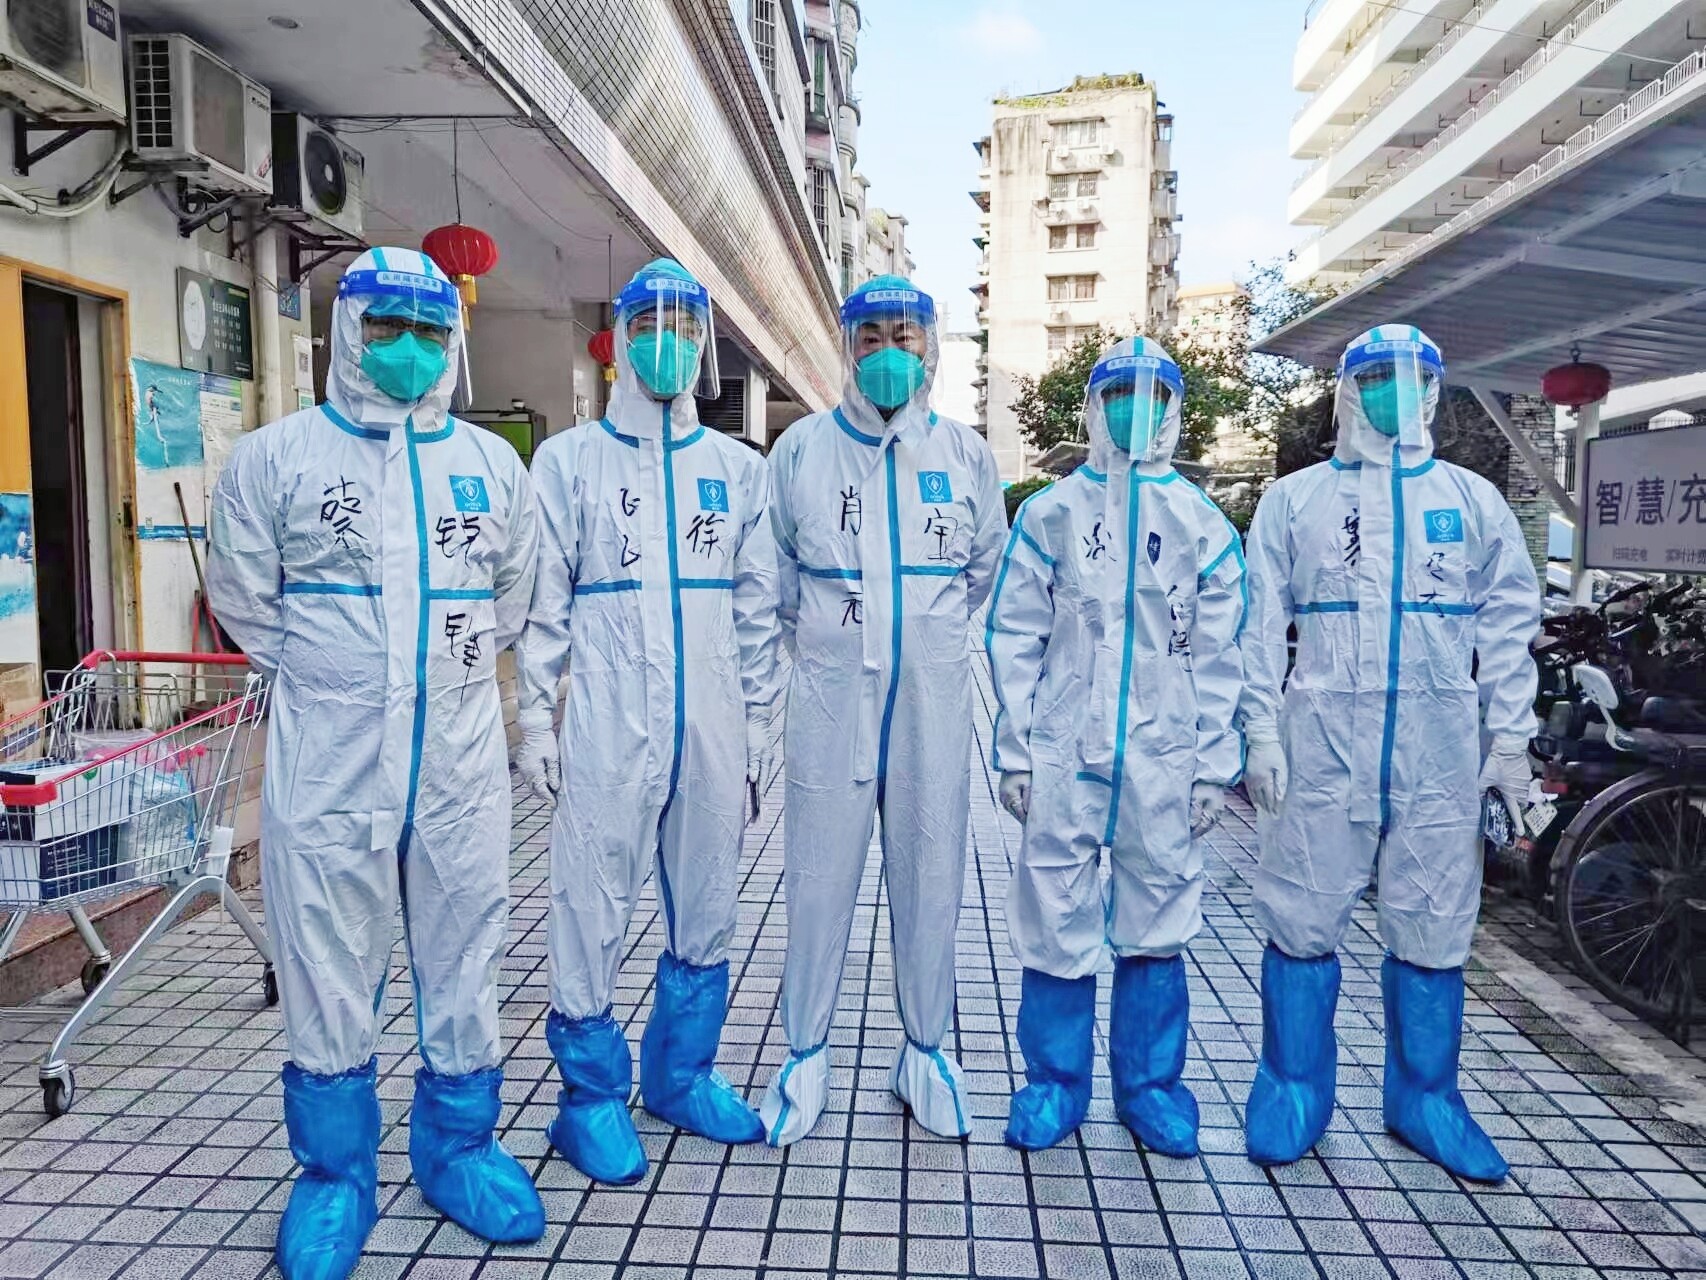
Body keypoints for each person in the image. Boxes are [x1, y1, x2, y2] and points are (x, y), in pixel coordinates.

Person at [207, 247, 544, 1280]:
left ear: (454, 343)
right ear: (347, 329)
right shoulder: (275, 458)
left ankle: (458, 1147)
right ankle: (334, 1174)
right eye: (385, 326)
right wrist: (338, 673)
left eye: (428, 331)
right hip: (330, 757)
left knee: (465, 943)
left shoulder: (490, 467)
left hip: (456, 762)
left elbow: (512, 596)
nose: (407, 348)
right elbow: (244, 599)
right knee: (324, 956)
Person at [1239, 324, 1539, 1183]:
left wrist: (1510, 738)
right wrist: (1258, 731)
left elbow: (1511, 622)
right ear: (1346, 389)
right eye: (1374, 376)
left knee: (1436, 920)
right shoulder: (1295, 500)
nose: (1392, 392)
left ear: (1436, 390)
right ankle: (1292, 1089)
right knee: (1302, 913)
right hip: (1322, 740)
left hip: (1437, 746)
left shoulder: (1470, 500)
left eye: (1410, 378)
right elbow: (1257, 626)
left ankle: (1426, 1098)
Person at [512, 259, 781, 1186]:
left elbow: (758, 611)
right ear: (620, 340)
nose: (669, 342)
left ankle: (681, 1075)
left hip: (710, 723)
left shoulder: (737, 471)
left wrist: (758, 727)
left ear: (705, 346)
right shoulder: (568, 462)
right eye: (649, 325)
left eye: (686, 327)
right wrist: (535, 720)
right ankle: (589, 1098)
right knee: (591, 900)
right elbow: (543, 606)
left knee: (707, 900)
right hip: (607, 720)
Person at [759, 276, 1006, 1146]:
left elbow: (982, 568)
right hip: (831, 698)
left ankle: (925, 1053)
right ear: (848, 348)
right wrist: (837, 641)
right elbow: (777, 578)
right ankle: (805, 1057)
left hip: (933, 699)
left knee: (933, 871)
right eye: (872, 339)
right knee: (817, 877)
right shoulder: (802, 451)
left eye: (906, 337)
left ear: (930, 347)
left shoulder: (966, 454)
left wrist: (920, 632)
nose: (890, 354)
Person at [986, 337, 1245, 1155]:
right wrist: (1016, 749)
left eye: (1152, 396)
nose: (1136, 410)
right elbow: (1013, 635)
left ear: (1173, 409)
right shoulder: (1052, 513)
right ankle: (1054, 1085)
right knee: (1054, 908)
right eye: (1120, 395)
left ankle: (1151, 1089)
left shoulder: (1201, 522)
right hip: (1065, 748)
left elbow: (1222, 653)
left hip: (1166, 755)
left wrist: (1214, 766)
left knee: (1158, 912)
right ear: (1095, 408)